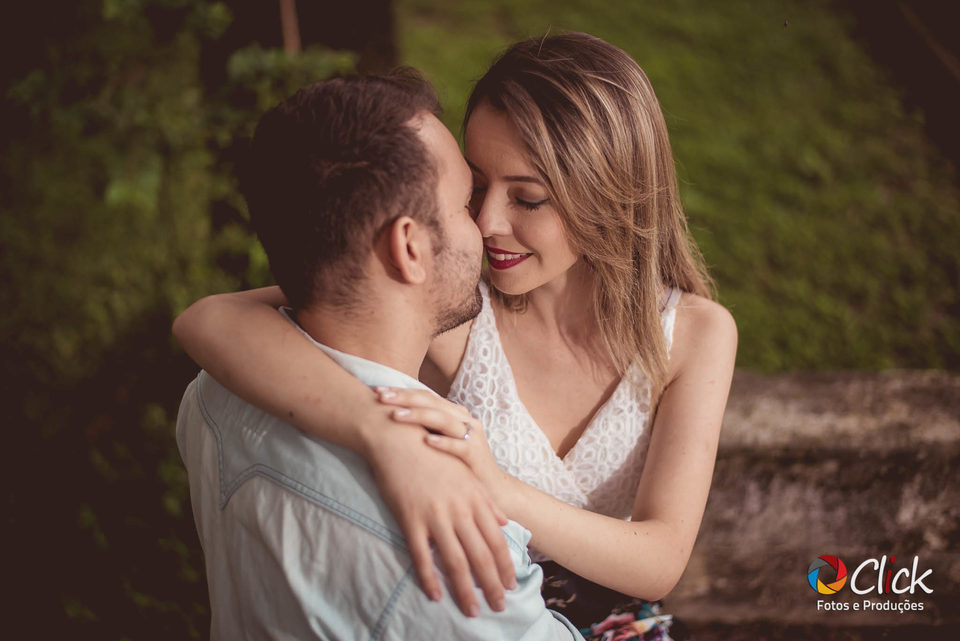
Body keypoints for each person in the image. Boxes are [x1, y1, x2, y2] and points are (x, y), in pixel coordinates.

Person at [174, 32, 737, 640]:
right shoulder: (455, 306)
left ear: (606, 193)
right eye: (474, 188)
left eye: (527, 198)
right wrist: (379, 432)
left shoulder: (692, 335)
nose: (489, 223)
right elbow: (208, 321)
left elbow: (659, 561)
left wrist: (493, 486)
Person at [174, 69, 581, 640]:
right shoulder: (452, 540)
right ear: (409, 247)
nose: (486, 227)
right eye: (467, 201)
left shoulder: (214, 391)